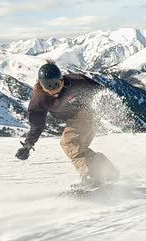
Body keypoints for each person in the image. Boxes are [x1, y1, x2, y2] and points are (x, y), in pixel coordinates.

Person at [15, 61, 119, 189]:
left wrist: (105, 104)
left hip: (86, 111)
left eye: (56, 85)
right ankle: (105, 168)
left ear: (62, 80)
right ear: (41, 86)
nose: (54, 91)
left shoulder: (77, 82)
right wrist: (28, 145)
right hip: (74, 119)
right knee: (77, 147)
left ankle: (89, 176)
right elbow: (37, 125)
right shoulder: (39, 99)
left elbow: (100, 92)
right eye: (48, 87)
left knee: (69, 142)